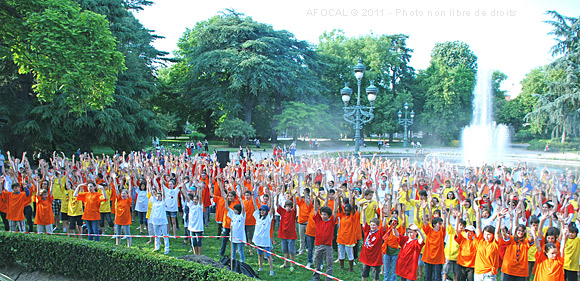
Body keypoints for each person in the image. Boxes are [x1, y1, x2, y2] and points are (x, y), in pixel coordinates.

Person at [312, 188, 338, 281]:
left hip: (327, 246)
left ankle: (328, 279)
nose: (323, 216)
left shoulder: (331, 222)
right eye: (322, 214)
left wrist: (335, 201)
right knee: (316, 263)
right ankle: (316, 278)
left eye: (325, 214)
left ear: (329, 215)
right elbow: (315, 208)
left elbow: (335, 212)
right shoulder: (318, 220)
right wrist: (315, 198)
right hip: (318, 245)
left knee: (329, 264)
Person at [360, 203, 385, 281]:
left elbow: (383, 225)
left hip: (375, 259)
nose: (372, 227)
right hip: (365, 257)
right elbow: (364, 222)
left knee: (375, 276)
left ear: (377, 225)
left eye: (374, 225)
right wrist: (363, 210)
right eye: (371, 225)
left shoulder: (379, 233)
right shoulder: (368, 231)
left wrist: (384, 214)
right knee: (364, 274)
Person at [252, 188, 275, 276]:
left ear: (266, 212)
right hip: (258, 239)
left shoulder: (268, 219)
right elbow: (255, 205)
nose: (261, 212)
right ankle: (260, 267)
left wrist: (272, 199)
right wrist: (254, 195)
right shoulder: (258, 217)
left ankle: (271, 270)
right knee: (259, 254)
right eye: (261, 210)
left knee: (268, 255)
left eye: (263, 210)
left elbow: (271, 208)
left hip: (265, 240)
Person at [226, 180, 246, 272]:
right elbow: (227, 207)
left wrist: (241, 199)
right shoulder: (233, 214)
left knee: (240, 250)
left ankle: (243, 262)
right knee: (233, 250)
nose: (234, 210)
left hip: (240, 236)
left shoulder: (242, 216)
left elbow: (243, 210)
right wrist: (226, 197)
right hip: (233, 236)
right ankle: (233, 261)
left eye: (235, 210)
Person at [277, 188, 297, 271]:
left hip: (291, 235)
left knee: (291, 251)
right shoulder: (283, 212)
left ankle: (292, 264)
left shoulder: (293, 213)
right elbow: (277, 205)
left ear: (291, 207)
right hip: (283, 234)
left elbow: (295, 206)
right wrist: (277, 195)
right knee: (285, 250)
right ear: (285, 207)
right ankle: (285, 263)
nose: (288, 208)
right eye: (287, 206)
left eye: (289, 207)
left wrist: (294, 195)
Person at [148, 176, 170, 254]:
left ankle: (166, 248)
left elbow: (164, 194)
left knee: (165, 235)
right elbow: (151, 192)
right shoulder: (154, 201)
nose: (158, 197)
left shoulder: (163, 202)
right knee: (157, 235)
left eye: (159, 196)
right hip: (155, 221)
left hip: (163, 221)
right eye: (157, 196)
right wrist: (148, 182)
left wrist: (161, 185)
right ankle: (156, 247)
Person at [114, 182, 132, 248]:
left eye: (124, 193)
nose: (123, 194)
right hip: (118, 219)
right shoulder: (119, 199)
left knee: (127, 233)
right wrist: (114, 179)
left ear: (127, 194)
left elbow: (130, 190)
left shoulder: (128, 201)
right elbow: (116, 189)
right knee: (118, 233)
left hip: (126, 220)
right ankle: (117, 245)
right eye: (122, 193)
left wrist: (129, 181)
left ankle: (129, 246)